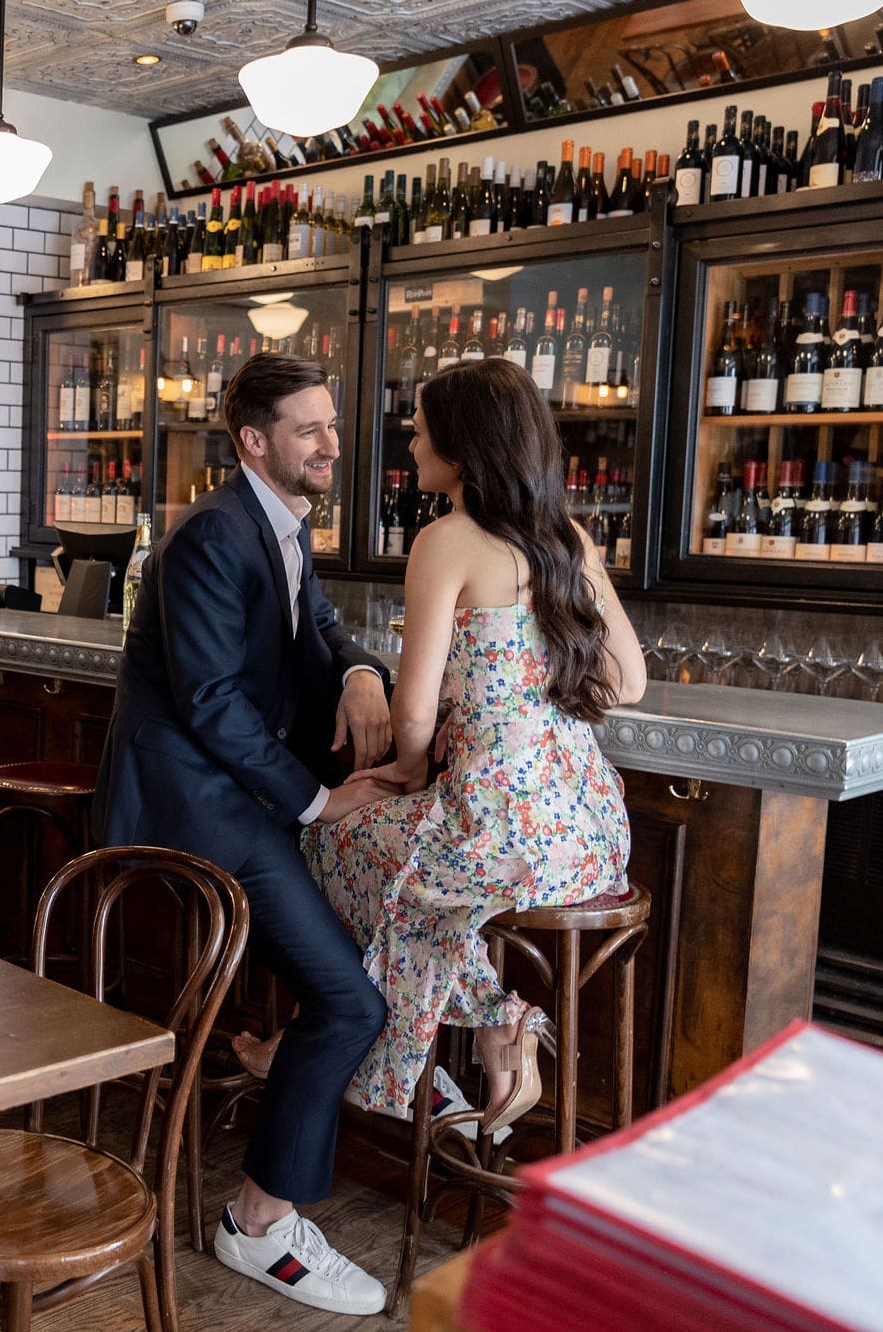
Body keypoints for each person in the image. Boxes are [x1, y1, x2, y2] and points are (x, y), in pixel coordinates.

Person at [95, 352, 398, 1317]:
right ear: (254, 440)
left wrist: (359, 673)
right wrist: (317, 801)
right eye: (308, 428)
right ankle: (259, 1226)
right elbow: (216, 705)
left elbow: (321, 626)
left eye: (332, 425)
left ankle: (273, 1108)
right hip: (200, 805)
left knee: (365, 968)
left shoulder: (281, 525)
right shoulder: (214, 536)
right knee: (352, 999)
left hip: (241, 795)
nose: (330, 444)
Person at [295, 355, 643, 1135]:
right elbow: (632, 683)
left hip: (496, 831)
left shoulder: (445, 540)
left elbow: (410, 712)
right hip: (591, 836)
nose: (410, 445)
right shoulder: (571, 539)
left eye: (420, 433)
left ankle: (481, 1023)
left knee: (328, 842)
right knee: (424, 885)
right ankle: (487, 1033)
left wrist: (408, 769)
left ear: (462, 449)